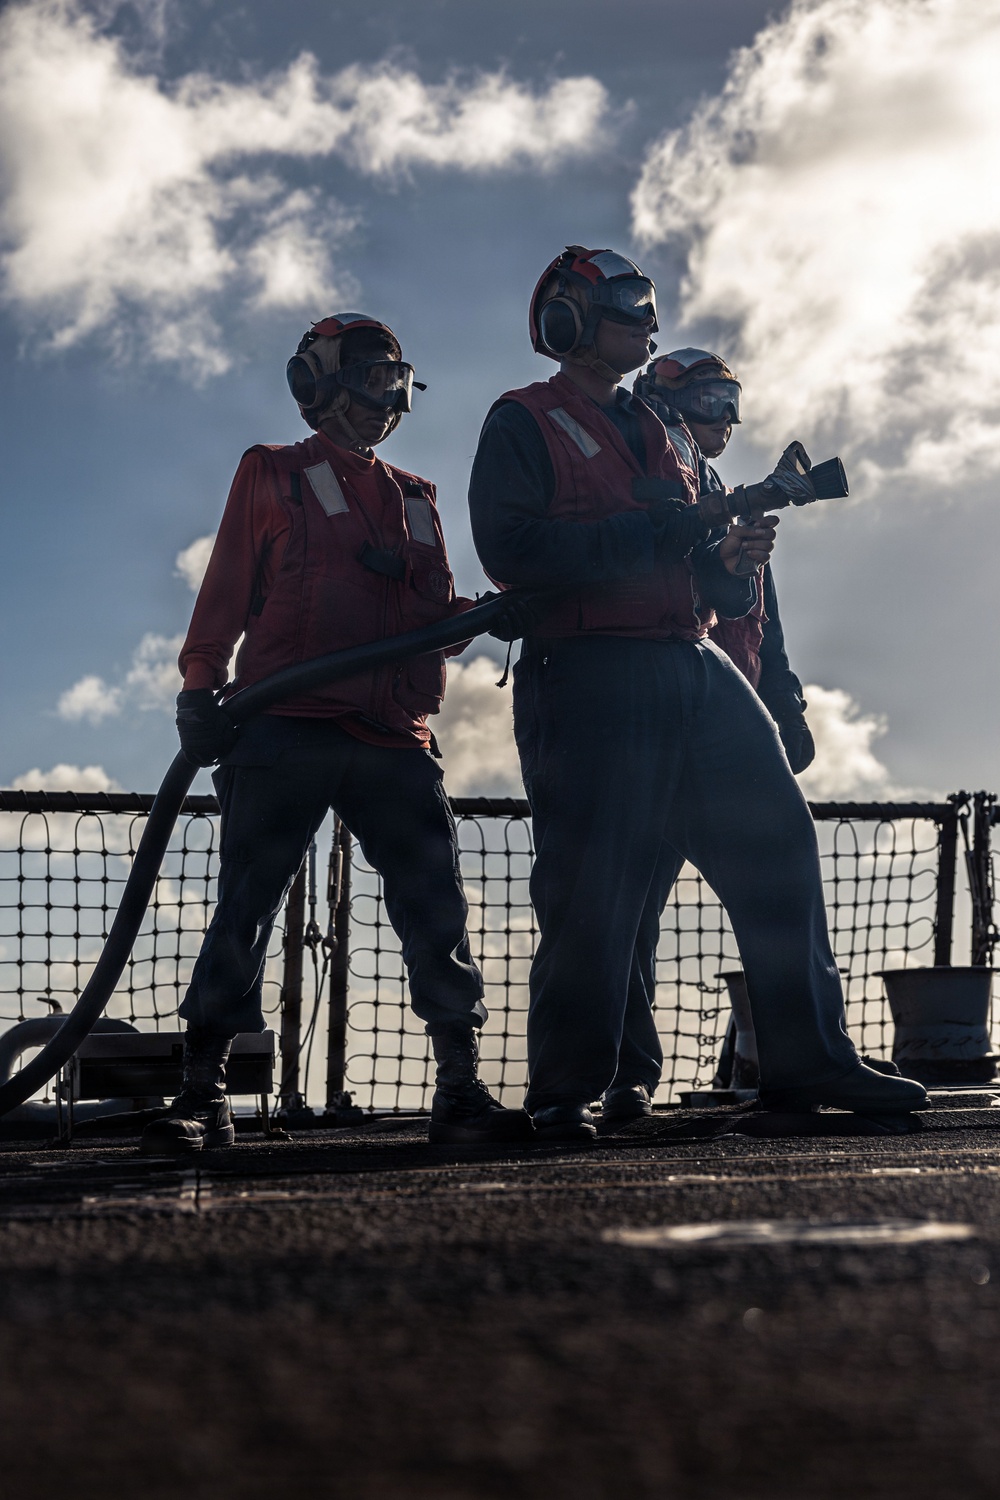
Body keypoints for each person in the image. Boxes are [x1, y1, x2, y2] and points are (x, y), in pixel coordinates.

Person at [468, 245, 926, 1141]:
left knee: (780, 845)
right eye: (625, 304)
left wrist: (720, 567)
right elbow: (513, 552)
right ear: (565, 321)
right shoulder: (520, 420)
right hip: (589, 671)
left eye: (647, 302)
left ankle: (805, 1066)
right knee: (592, 886)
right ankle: (565, 1093)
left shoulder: (663, 433)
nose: (646, 318)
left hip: (691, 658)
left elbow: (703, 581)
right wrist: (651, 532)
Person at [141, 314, 532, 1154]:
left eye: (394, 384)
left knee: (437, 911)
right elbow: (225, 589)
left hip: (395, 739)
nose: (383, 400)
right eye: (367, 380)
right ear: (316, 384)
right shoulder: (273, 473)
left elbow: (430, 621)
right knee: (244, 908)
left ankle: (459, 1089)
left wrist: (497, 613)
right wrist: (200, 686)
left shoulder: (419, 500)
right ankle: (201, 1094)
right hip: (284, 727)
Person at [634, 349, 814, 774]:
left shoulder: (738, 512)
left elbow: (764, 628)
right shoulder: (644, 488)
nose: (725, 417)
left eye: (731, 400)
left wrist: (785, 709)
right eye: (708, 400)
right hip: (669, 708)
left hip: (733, 713)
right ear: (662, 403)